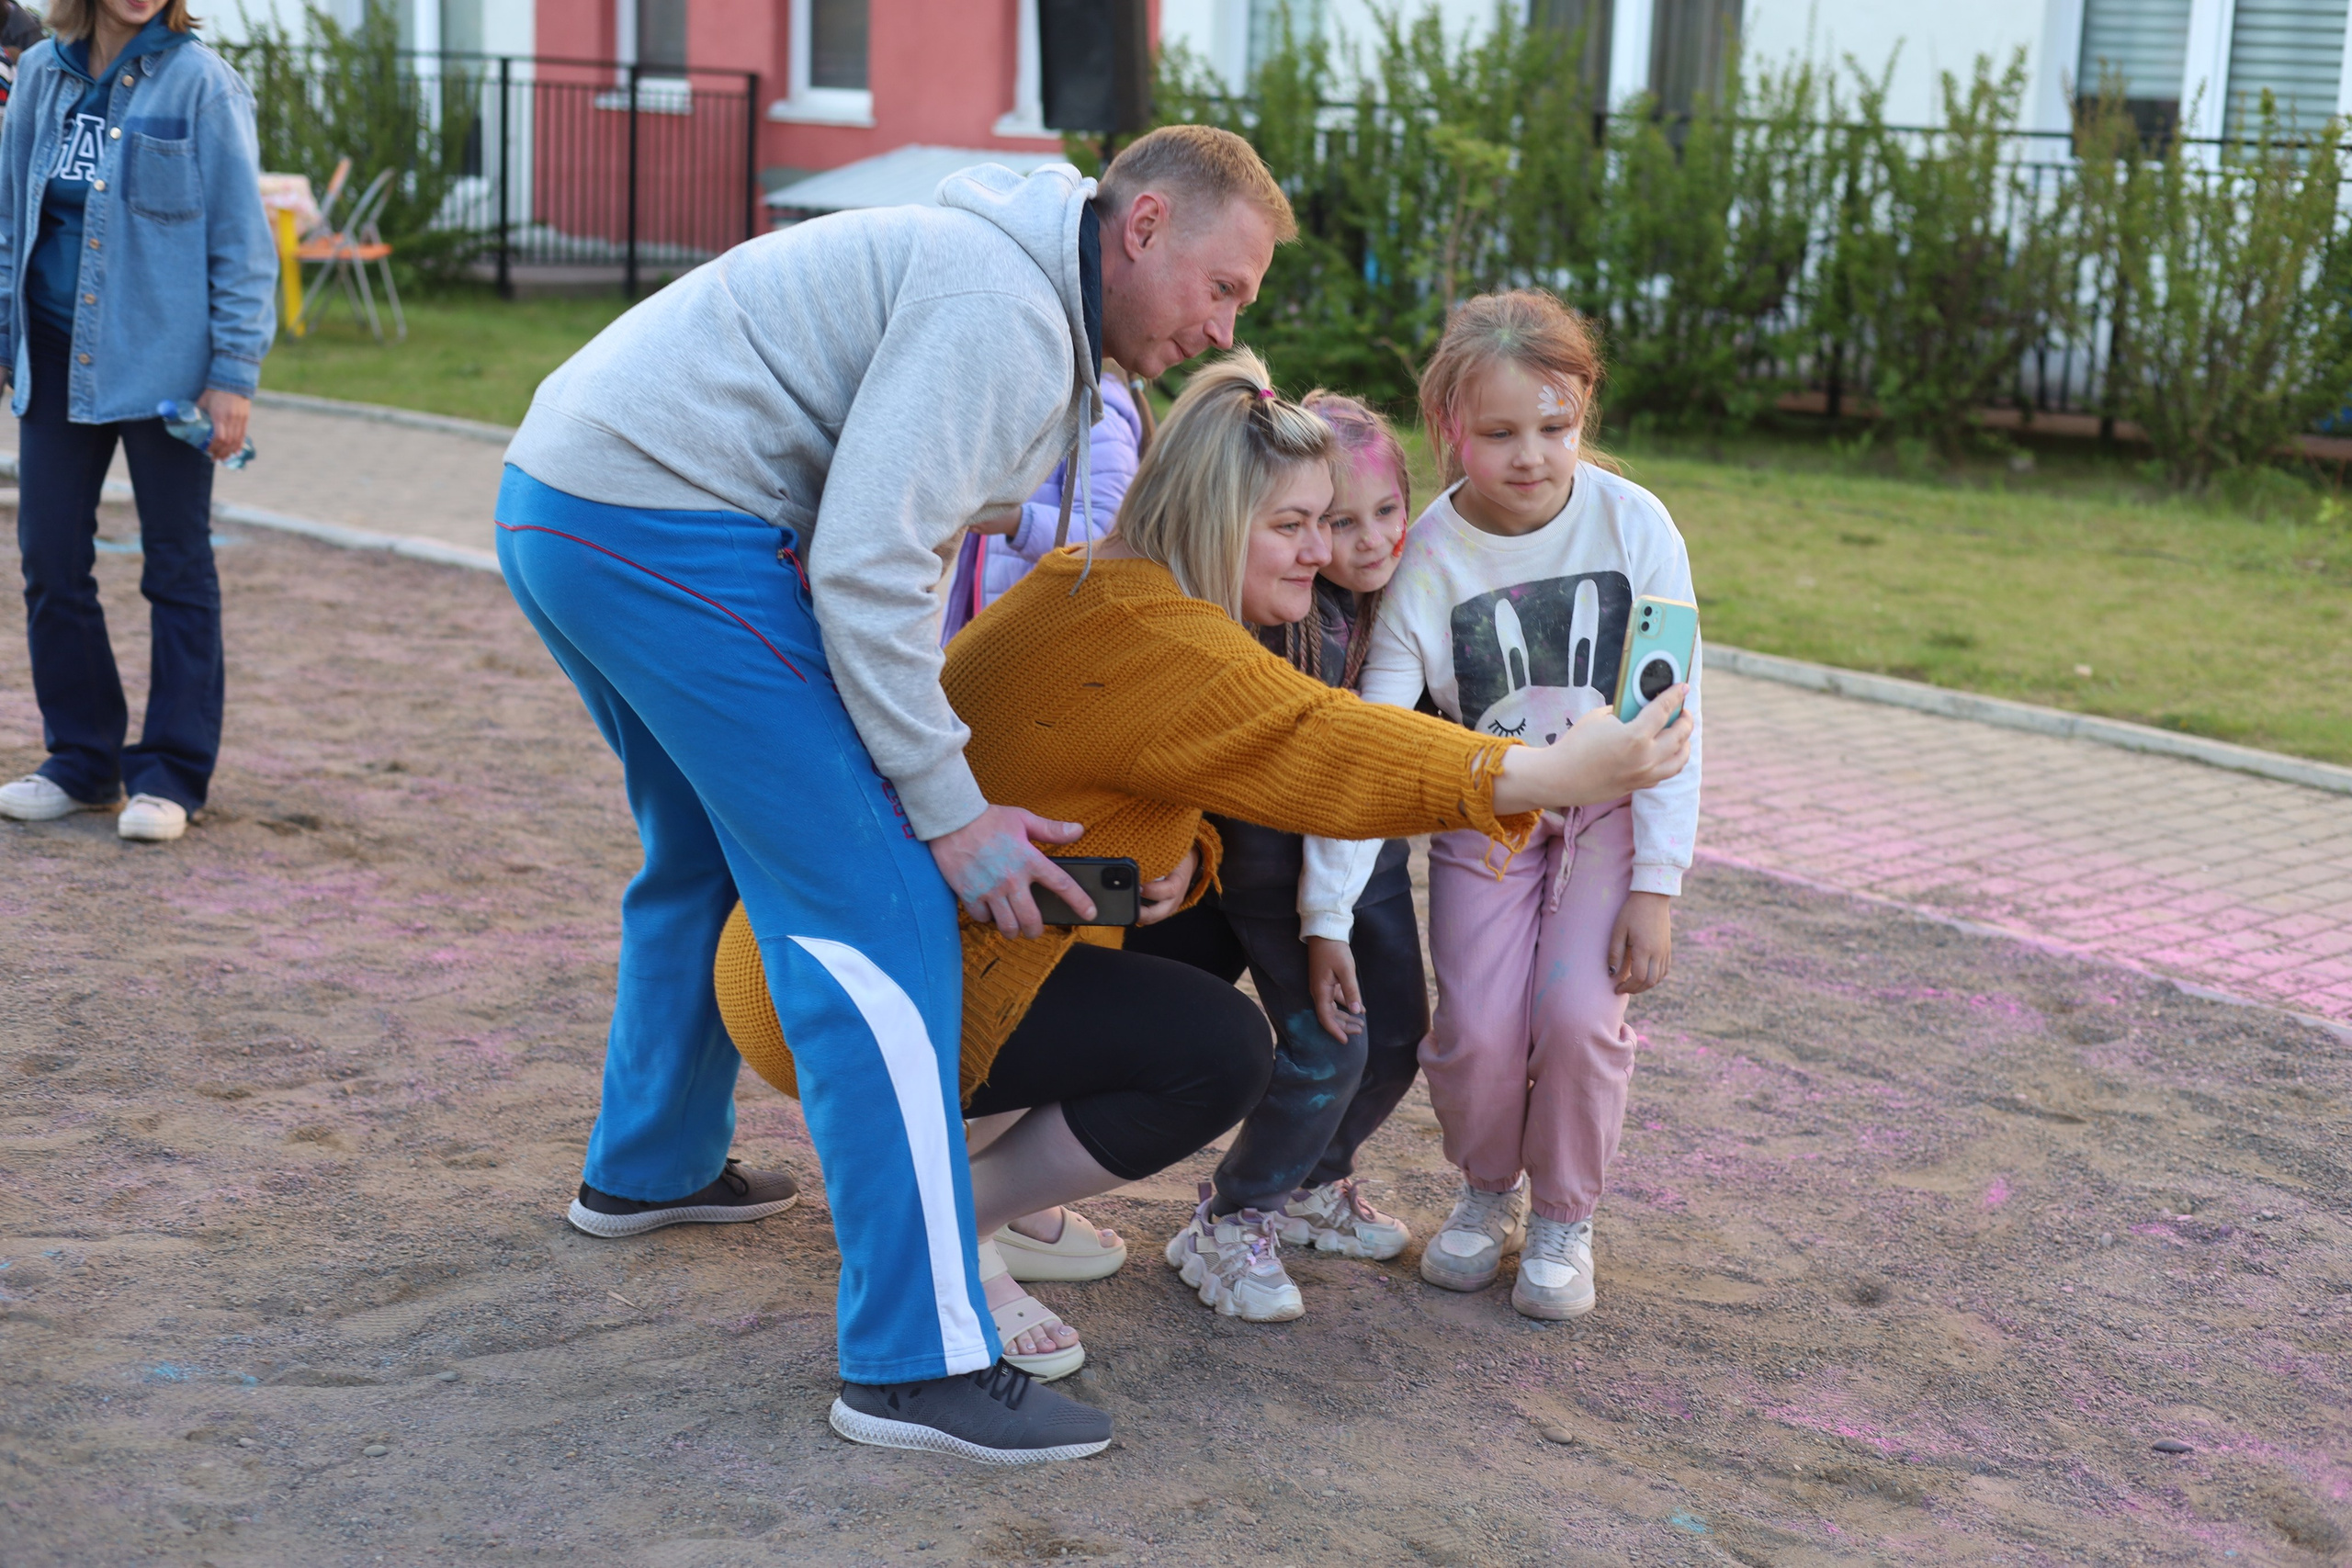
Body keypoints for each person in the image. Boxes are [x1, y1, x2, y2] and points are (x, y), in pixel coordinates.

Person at [492, 125, 1294, 1466]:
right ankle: (913, 1363)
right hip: (662, 517)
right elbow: (870, 565)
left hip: (568, 498)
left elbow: (890, 549)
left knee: (705, 853)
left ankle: (653, 1162)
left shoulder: (1008, 287)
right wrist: (950, 810)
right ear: (1144, 226)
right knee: (881, 916)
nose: (1219, 332)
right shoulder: (1006, 310)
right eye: (1224, 289)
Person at [712, 352, 1694, 1399]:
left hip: (850, 948)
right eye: (1291, 525)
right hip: (852, 998)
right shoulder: (1168, 636)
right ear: (1218, 514)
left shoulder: (1106, 577)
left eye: (1326, 521)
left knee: (1217, 907)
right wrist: (1546, 771)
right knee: (1221, 1055)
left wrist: (1178, 851)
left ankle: (988, 1168)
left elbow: (1075, 775)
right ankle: (947, 1215)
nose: (1322, 552)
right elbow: (1330, 747)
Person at [1334, 288, 1702, 1322]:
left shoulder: (1635, 525)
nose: (1532, 455)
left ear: (1584, 411)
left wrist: (1655, 886)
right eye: (1499, 433)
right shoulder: (1428, 559)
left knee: (1584, 1018)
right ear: (1450, 427)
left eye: (1557, 426)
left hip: (1611, 816)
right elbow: (1377, 731)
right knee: (1480, 1032)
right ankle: (1487, 1189)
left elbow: (1676, 716)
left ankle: (1562, 1218)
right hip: (1483, 815)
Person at [1122, 389, 1425, 1322]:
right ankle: (1230, 1217)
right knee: (1327, 1044)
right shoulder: (1285, 616)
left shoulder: (1386, 601)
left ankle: (1308, 1184)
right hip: (1282, 873)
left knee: (1400, 1038)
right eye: (1334, 521)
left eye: (1386, 512)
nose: (1366, 541)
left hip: (1364, 858)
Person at [0, 0, 274, 842]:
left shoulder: (203, 87)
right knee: (49, 558)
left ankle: (171, 776)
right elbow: (11, 218)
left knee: (177, 566)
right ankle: (83, 763)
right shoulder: (41, 75)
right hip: (52, 356)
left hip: (168, 373)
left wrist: (232, 376)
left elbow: (242, 243)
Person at [940, 366, 1145, 645]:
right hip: (993, 616)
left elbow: (1103, 537)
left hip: (1034, 634)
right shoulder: (1045, 401)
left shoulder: (1103, 423)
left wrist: (1017, 522)